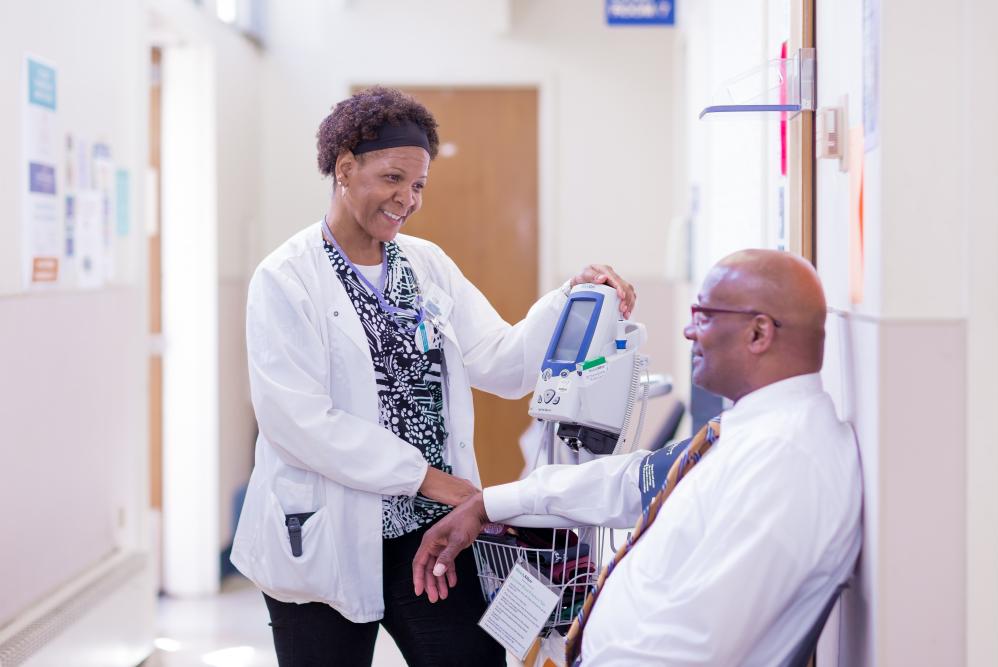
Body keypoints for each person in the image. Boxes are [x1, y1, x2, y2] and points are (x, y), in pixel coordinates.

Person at [230, 86, 636, 667]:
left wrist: (571, 298)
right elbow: (298, 422)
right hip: (329, 534)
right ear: (344, 168)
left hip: (431, 538)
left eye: (418, 185)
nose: (407, 199)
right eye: (393, 178)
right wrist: (428, 479)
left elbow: (503, 362)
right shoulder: (286, 278)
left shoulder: (426, 265)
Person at [413, 249, 863, 666]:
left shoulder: (784, 466)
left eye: (703, 316)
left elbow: (699, 650)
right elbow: (632, 480)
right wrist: (491, 503)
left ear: (759, 332)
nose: (689, 331)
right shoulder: (752, 432)